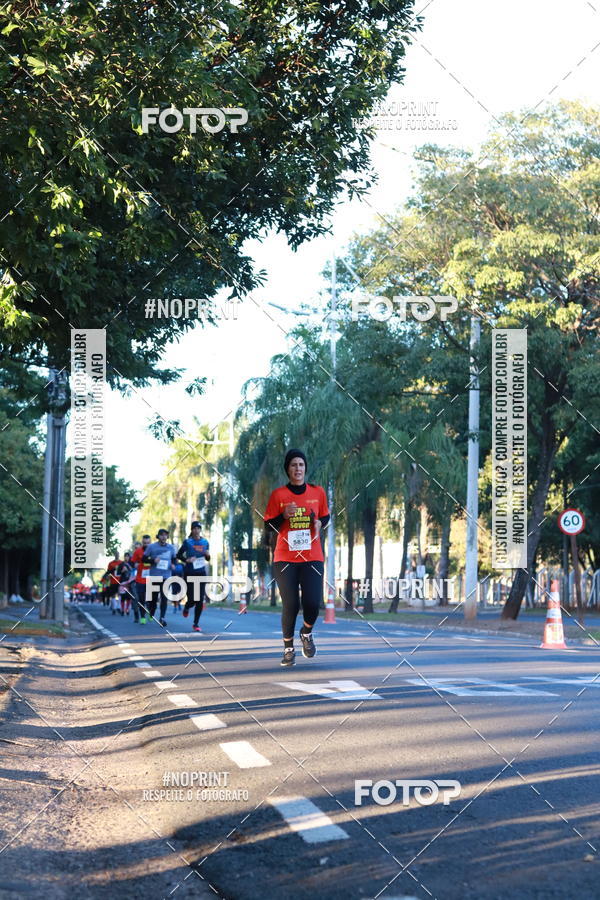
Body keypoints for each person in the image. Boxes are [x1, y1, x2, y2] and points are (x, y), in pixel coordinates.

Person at [264, 449, 329, 667]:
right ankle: (288, 648)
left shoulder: (318, 492)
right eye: (293, 465)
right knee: (291, 603)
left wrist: (320, 523)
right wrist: (283, 516)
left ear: (305, 468)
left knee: (312, 603)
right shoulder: (278, 495)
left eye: (301, 464)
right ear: (288, 469)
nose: (298, 468)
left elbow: (325, 516)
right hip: (285, 557)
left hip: (312, 556)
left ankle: (306, 632)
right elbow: (268, 525)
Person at [177, 521, 210, 633]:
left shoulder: (205, 542)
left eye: (198, 528)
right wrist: (187, 560)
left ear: (200, 530)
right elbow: (178, 555)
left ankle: (196, 623)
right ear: (192, 530)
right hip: (189, 573)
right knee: (192, 599)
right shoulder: (188, 542)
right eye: (194, 528)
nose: (196, 530)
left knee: (199, 599)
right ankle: (187, 606)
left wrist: (207, 555)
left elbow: (207, 558)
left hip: (201, 573)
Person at [146, 528, 177, 626]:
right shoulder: (151, 547)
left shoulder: (171, 548)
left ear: (167, 537)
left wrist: (174, 564)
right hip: (154, 576)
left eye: (165, 535)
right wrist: (153, 560)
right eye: (161, 535)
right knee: (153, 599)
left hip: (166, 576)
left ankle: (162, 618)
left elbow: (174, 559)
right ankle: (151, 610)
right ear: (158, 536)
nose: (163, 537)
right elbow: (144, 559)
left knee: (164, 598)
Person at [130, 535, 152, 623]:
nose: (146, 545)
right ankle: (142, 616)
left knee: (150, 598)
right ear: (142, 543)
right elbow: (132, 562)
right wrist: (134, 565)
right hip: (140, 579)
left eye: (148, 543)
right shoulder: (138, 551)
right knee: (141, 599)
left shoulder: (154, 550)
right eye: (144, 543)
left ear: (150, 542)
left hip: (151, 578)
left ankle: (151, 612)